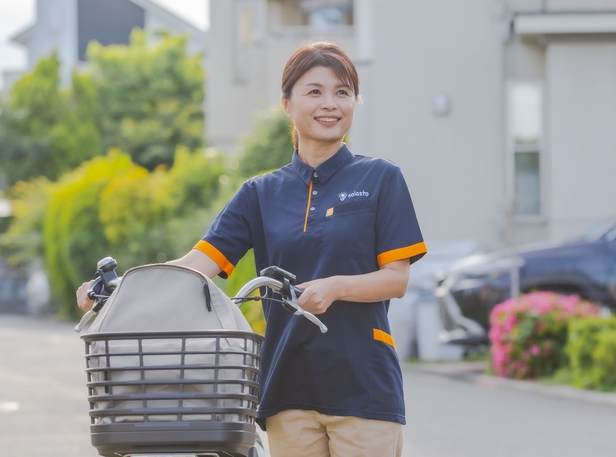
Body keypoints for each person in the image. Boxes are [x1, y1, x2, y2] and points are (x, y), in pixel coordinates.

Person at [77, 41, 426, 457]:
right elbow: (193, 267)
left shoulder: (381, 179)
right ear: (287, 103)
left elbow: (396, 279)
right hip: (287, 387)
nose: (330, 103)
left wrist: (334, 287)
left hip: (364, 387)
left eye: (343, 92)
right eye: (314, 91)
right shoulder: (260, 193)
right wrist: (116, 291)